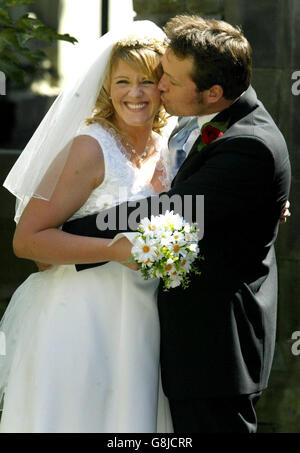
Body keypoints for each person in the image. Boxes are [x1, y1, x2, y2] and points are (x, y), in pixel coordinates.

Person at [62, 15, 291, 433]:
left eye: (169, 79)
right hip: (177, 334)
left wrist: (67, 232)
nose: (158, 85)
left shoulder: (247, 146)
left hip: (216, 346)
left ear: (212, 92)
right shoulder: (211, 118)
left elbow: (172, 208)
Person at [0, 21, 174, 433]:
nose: (135, 93)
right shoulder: (90, 146)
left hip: (143, 318)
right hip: (80, 315)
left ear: (163, 87)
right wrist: (112, 251)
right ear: (105, 86)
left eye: (147, 82)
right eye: (123, 81)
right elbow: (28, 240)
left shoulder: (169, 141)